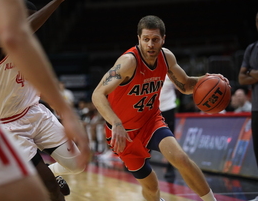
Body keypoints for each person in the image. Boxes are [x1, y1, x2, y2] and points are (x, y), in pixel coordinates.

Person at [92, 15, 229, 201]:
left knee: (180, 158)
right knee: (152, 186)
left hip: (151, 122)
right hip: (125, 132)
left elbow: (186, 85)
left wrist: (210, 80)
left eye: (155, 39)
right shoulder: (128, 62)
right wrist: (115, 122)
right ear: (138, 38)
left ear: (163, 39)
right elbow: (97, 94)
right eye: (146, 39)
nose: (150, 44)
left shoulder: (166, 57)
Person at [0, 0, 89, 201]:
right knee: (47, 188)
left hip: (35, 113)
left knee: (78, 165)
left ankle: (51, 173)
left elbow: (38, 85)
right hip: (8, 125)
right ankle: (45, 177)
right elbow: (18, 31)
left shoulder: (29, 51)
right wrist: (57, 1)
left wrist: (63, 111)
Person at [238, 11, 258, 201]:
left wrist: (254, 73)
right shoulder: (252, 49)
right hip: (256, 107)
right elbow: (241, 78)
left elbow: (248, 75)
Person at [159, 75, 177, 179]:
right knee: (147, 139)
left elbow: (183, 86)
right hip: (153, 111)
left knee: (170, 142)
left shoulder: (170, 73)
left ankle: (170, 168)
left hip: (168, 109)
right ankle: (142, 165)